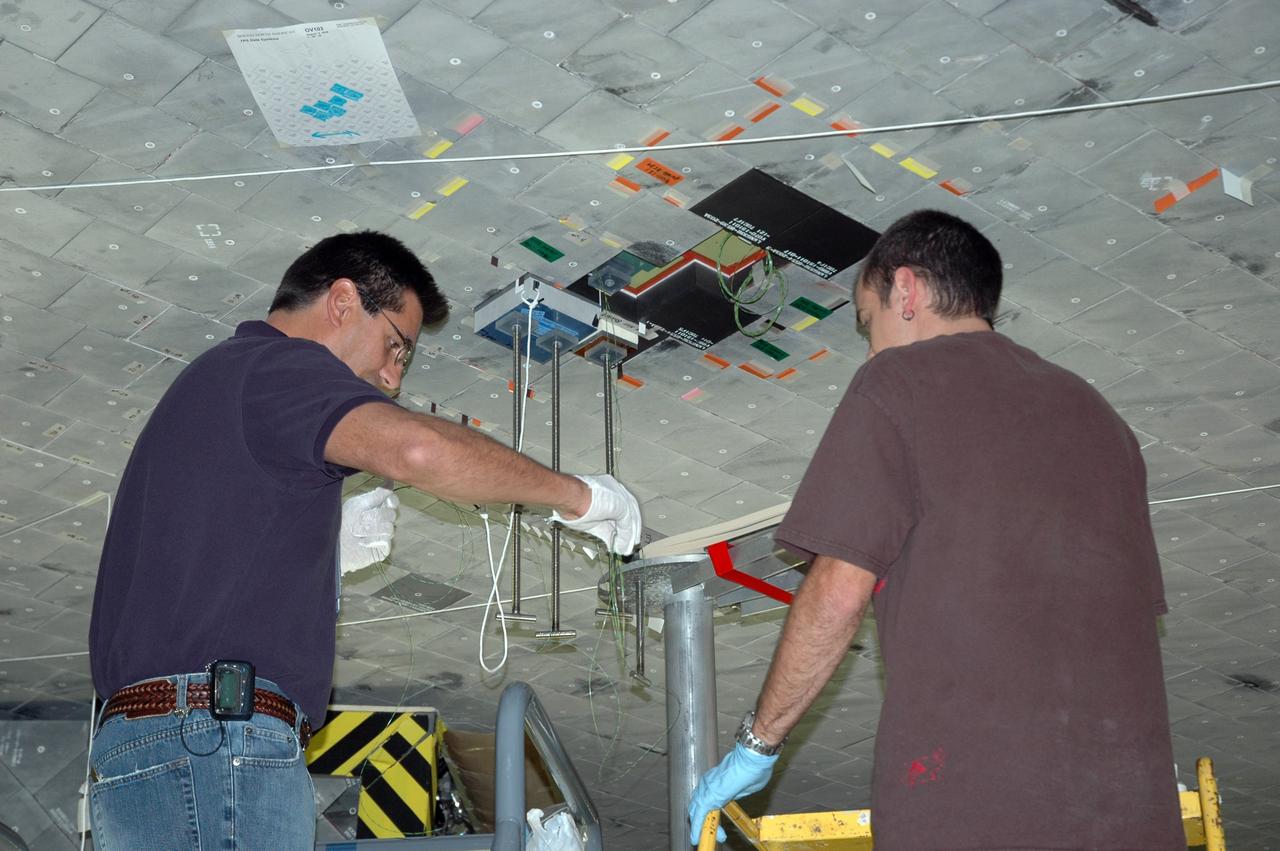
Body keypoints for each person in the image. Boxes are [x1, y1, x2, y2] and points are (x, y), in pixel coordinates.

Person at [87, 231, 642, 850]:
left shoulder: (226, 383)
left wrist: (317, 556)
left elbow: (207, 562)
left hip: (174, 745)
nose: (391, 377)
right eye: (397, 348)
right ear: (344, 300)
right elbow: (418, 449)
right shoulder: (276, 366)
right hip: (214, 743)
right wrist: (580, 498)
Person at [689, 210, 1183, 849]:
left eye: (868, 325)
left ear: (906, 291)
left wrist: (758, 745)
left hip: (977, 804)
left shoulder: (898, 382)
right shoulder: (1102, 420)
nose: (870, 349)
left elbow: (839, 592)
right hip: (1132, 812)